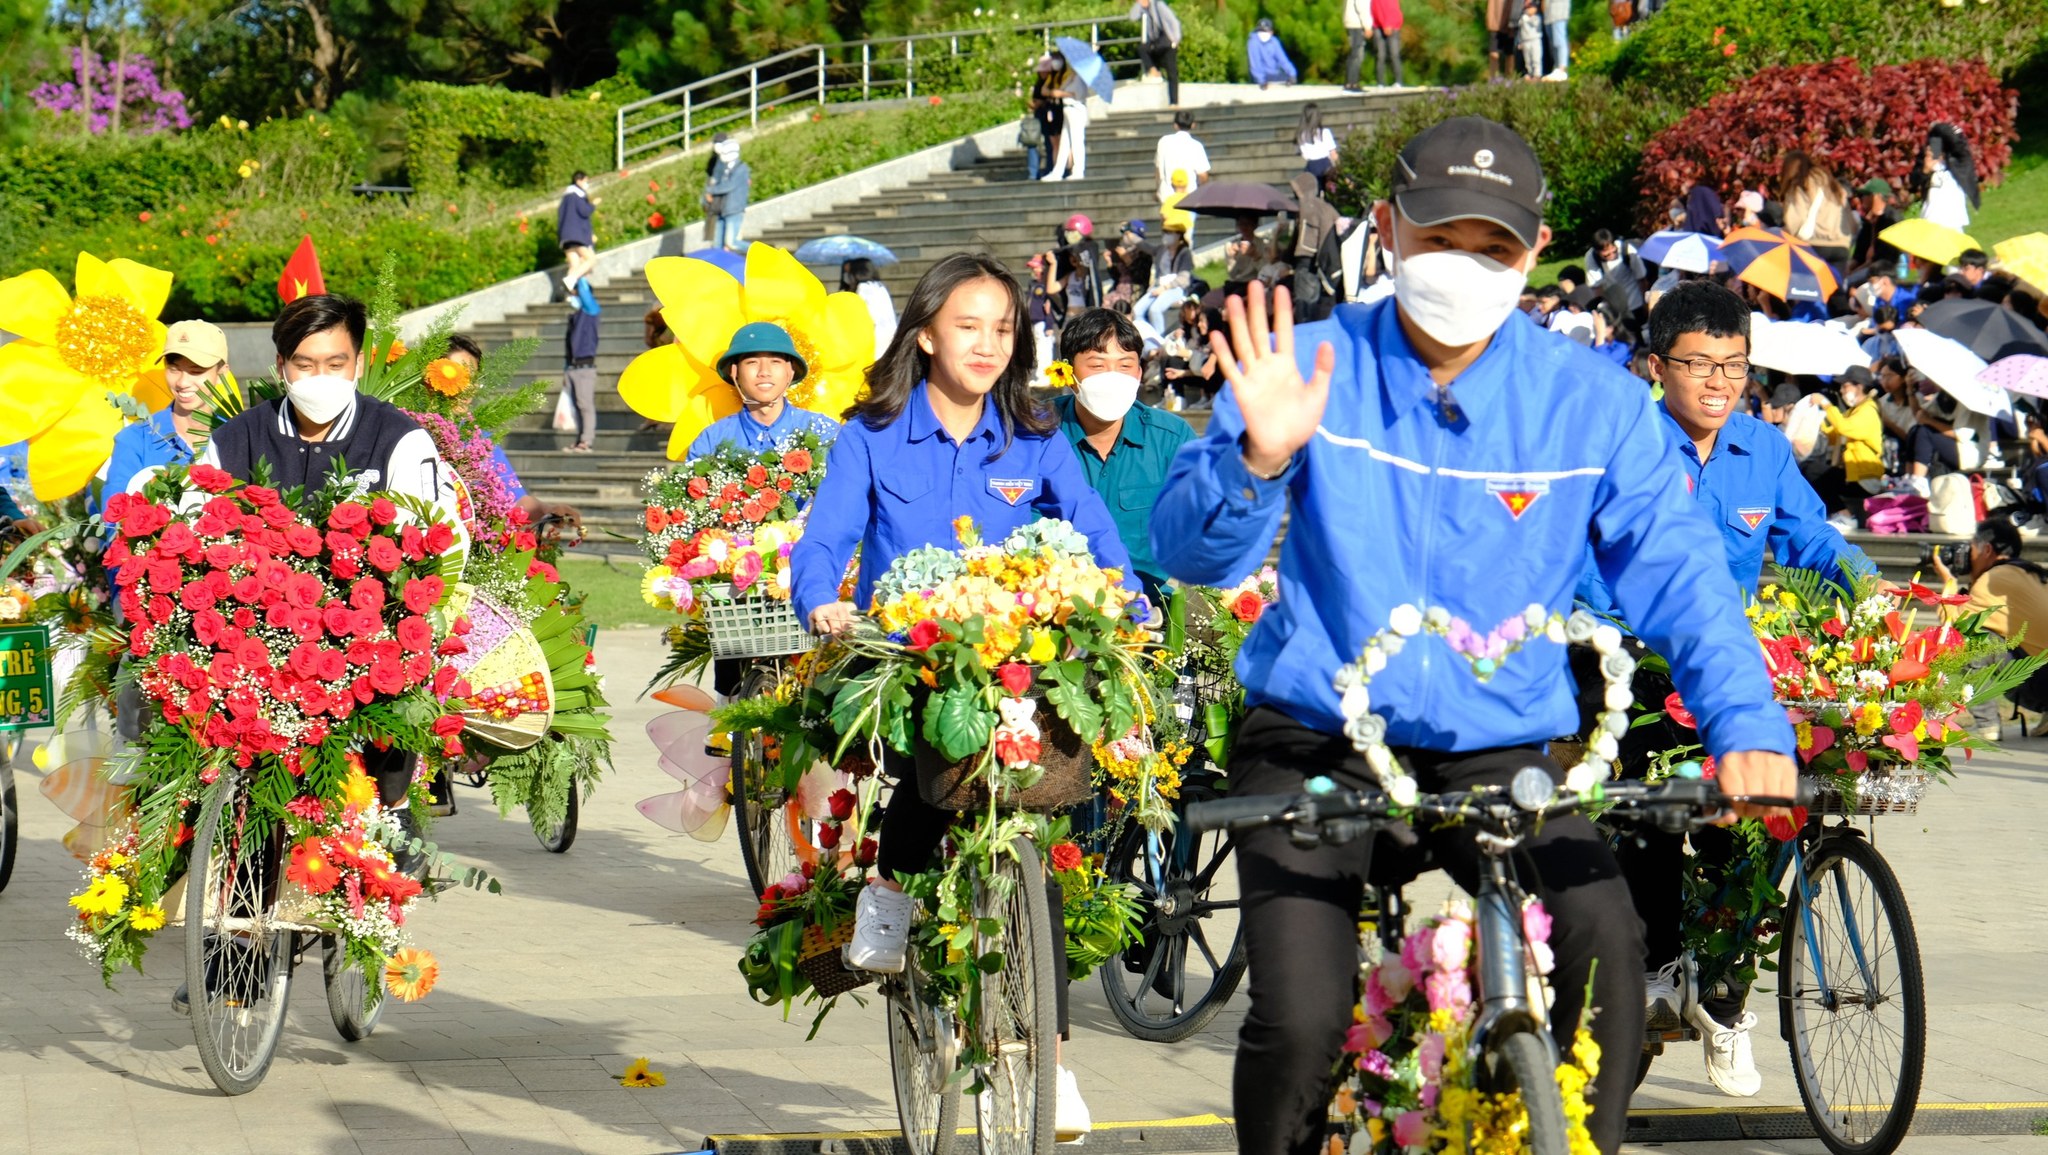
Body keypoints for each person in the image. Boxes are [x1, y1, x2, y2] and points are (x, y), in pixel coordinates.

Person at [1151, 116, 1798, 1155]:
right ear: (1386, 230)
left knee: (1610, 962)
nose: (1462, 265)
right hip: (1316, 734)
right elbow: (1188, 554)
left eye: (1491, 248)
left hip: (1498, 735)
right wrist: (1254, 464)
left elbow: (1677, 571)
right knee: (1302, 1021)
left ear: (1533, 253)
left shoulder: (1590, 404)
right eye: (1438, 237)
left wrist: (1743, 721)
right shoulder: (1306, 364)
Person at [792, 254, 1142, 1143]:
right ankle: (890, 891)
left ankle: (1053, 1066)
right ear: (925, 333)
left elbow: (1094, 532)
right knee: (928, 776)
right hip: (909, 657)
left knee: (1043, 835)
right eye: (968, 325)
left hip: (1016, 655)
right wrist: (822, 600)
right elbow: (825, 537)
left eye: (1003, 328)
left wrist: (1126, 597)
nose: (988, 344)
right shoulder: (870, 432)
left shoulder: (1033, 430)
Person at [189, 292, 460, 836]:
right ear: (280, 367)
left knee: (398, 711)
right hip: (256, 636)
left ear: (359, 364)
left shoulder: (400, 439)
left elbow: (437, 539)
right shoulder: (233, 439)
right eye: (305, 365)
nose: (321, 377)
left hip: (365, 636)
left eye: (336, 364)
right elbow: (194, 528)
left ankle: (393, 822)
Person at [1049, 309, 1195, 603]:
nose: (1112, 378)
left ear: (1139, 373)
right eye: (1097, 365)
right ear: (1067, 373)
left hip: (1150, 607)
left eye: (1125, 365)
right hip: (1056, 606)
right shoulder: (1035, 434)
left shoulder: (1171, 438)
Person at [102, 320, 227, 502]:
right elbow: (113, 518)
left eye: (196, 371)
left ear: (222, 372)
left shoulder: (238, 436)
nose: (182, 383)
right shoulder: (135, 439)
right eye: (174, 370)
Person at [1817, 365, 1884, 518]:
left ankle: (1845, 516)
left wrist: (1826, 405)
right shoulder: (1854, 411)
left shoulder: (1868, 410)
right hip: (1853, 473)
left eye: (1845, 385)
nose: (1841, 390)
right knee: (1815, 474)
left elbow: (1844, 428)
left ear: (1859, 387)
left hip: (1864, 477)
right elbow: (1835, 436)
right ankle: (1839, 514)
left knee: (1819, 477)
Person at [1779, 151, 1854, 267]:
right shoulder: (1833, 186)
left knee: (1805, 284)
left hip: (1814, 246)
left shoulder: (1800, 186)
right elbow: (1850, 221)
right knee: (1833, 284)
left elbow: (1794, 222)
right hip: (1841, 246)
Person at [1287, 172, 1340, 323]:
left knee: (1304, 308)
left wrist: (1287, 257)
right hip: (1324, 260)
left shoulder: (1306, 207)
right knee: (1317, 308)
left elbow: (1298, 240)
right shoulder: (1327, 207)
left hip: (1306, 259)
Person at [560, 279, 601, 454]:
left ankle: (586, 440)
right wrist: (565, 369)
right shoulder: (575, 317)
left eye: (575, 293)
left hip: (585, 367)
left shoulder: (591, 311)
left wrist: (578, 273)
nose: (573, 296)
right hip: (573, 367)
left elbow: (584, 290)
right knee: (577, 406)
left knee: (585, 405)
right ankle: (579, 440)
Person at [1134, 224, 1194, 336]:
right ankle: (1146, 339)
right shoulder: (1162, 249)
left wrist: (1165, 288)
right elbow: (1147, 247)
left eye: (1169, 232)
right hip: (1158, 287)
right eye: (1165, 232)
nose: (1166, 235)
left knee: (1155, 310)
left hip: (1175, 288)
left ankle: (1159, 341)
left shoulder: (1185, 252)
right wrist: (1132, 237)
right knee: (1137, 311)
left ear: (1178, 235)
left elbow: (1184, 278)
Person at [1040, 51, 1091, 182]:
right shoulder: (1071, 76)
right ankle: (1058, 171)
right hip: (1067, 109)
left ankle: (1078, 170)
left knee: (1077, 140)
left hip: (1076, 109)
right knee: (1065, 141)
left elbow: (1075, 93)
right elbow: (1056, 90)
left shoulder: (1080, 78)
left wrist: (1061, 93)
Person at [1919, 123, 1979, 232]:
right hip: (1930, 222)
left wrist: (1952, 133)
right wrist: (1926, 170)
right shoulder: (1930, 163)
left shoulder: (1959, 163)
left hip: (1953, 222)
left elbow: (1960, 148)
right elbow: (1915, 182)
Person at [1585, 229, 1648, 322]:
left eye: (1614, 252)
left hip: (1635, 300)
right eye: (1606, 255)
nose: (1612, 256)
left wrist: (1645, 303)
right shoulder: (1591, 258)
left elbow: (1641, 278)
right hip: (1614, 305)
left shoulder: (1627, 250)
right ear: (1597, 252)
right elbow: (1596, 287)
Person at [704, 133, 751, 251]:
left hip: (734, 209)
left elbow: (729, 186)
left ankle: (761, 254)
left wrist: (711, 190)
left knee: (732, 242)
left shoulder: (741, 168)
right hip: (722, 208)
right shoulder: (725, 168)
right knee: (717, 244)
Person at [1132, 0, 1183, 107]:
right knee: (1142, 49)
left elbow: (1174, 22)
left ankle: (1174, 102)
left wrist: (1175, 41)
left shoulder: (1158, 5)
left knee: (1172, 72)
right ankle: (1154, 71)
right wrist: (1138, 5)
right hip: (1156, 42)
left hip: (1168, 40)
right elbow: (1132, 17)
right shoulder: (1142, 8)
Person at [1154, 109, 1211, 204]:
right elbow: (1203, 175)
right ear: (1193, 125)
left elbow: (1158, 170)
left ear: (1175, 125)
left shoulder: (1163, 142)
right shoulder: (1196, 145)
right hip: (1189, 196)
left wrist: (1157, 189)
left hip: (1167, 195)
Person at [1850, 177, 1905, 274]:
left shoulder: (1891, 220)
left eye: (1866, 194)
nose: (1862, 198)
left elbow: (1883, 259)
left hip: (1885, 272)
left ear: (1876, 197)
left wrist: (1851, 275)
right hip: (1869, 269)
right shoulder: (1868, 222)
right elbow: (1858, 256)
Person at [841, 258, 898, 350]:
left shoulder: (863, 288)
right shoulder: (879, 285)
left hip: (875, 337)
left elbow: (866, 314)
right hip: (889, 333)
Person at [557, 170, 598, 292]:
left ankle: (570, 295)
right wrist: (593, 204)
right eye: (586, 181)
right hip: (576, 235)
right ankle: (571, 279)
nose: (587, 184)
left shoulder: (565, 197)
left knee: (574, 265)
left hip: (565, 237)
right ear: (578, 180)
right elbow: (584, 212)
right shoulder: (577, 196)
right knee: (591, 260)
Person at [1222, 214, 1273, 300]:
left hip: (1253, 282)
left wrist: (1255, 256)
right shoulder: (1230, 245)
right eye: (1241, 224)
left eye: (1248, 224)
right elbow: (1232, 274)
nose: (1244, 227)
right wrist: (1232, 258)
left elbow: (1265, 272)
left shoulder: (1263, 245)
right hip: (1235, 283)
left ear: (1255, 225)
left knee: (1235, 297)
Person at [1029, 57, 1064, 182]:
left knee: (1052, 144)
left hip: (1051, 114)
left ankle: (1052, 168)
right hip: (1042, 116)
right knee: (1045, 144)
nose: (1043, 73)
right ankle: (1043, 169)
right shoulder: (1040, 83)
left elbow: (1044, 96)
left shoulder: (1051, 82)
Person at [1246, 18, 1297, 88]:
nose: (1263, 34)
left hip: (1275, 74)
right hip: (1260, 77)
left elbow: (1283, 60)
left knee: (1289, 83)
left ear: (1271, 32)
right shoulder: (1253, 42)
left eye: (1266, 31)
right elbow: (1255, 64)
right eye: (1261, 31)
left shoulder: (1274, 41)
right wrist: (1261, 81)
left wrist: (1292, 74)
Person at [1294, 103, 1338, 181]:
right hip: (1325, 164)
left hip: (1311, 166)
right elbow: (1333, 154)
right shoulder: (1325, 132)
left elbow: (1304, 154)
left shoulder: (1301, 135)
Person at [1370, 0, 1405, 86]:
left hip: (1392, 26)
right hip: (1378, 25)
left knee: (1394, 54)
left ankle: (1398, 81)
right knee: (1380, 55)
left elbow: (1393, 10)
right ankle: (1380, 82)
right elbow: (1375, 10)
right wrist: (1383, 24)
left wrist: (1388, 24)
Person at [1342, 0, 1373, 91]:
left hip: (1351, 22)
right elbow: (1362, 7)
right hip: (1356, 24)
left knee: (1353, 53)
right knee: (1357, 54)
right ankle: (1352, 83)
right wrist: (1367, 26)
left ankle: (1350, 82)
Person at [1485, 0, 1518, 80]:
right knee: (1494, 52)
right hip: (1495, 24)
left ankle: (1510, 79)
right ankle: (1494, 79)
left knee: (1510, 53)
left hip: (1510, 23)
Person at [1516, 0, 1544, 79]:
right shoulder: (1522, 18)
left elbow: (1535, 24)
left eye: (1532, 7)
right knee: (1527, 60)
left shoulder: (1537, 18)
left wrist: (1528, 18)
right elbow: (1520, 31)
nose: (1530, 10)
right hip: (1525, 41)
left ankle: (1537, 74)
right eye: (1528, 8)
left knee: (1536, 58)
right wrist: (1519, 42)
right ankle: (1530, 73)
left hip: (1535, 40)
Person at [1542, 0, 1570, 79]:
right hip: (1548, 13)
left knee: (1559, 41)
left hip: (1559, 11)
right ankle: (1557, 68)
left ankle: (1562, 69)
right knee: (1553, 44)